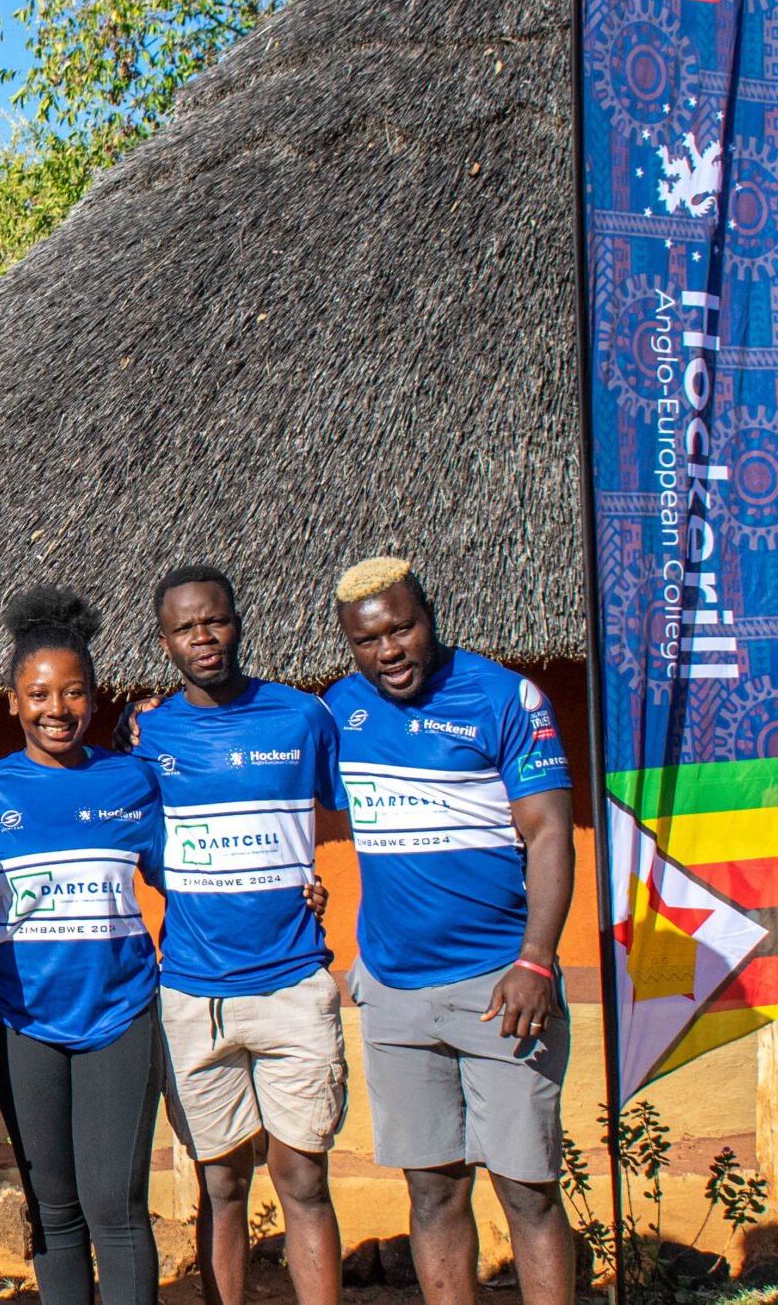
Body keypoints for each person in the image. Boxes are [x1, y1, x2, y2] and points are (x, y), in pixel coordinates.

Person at [325, 558, 575, 1305]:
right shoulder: (340, 710)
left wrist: (536, 960)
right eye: (370, 640)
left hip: (501, 986)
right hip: (395, 996)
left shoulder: (504, 697)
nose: (391, 650)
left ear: (429, 613)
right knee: (432, 1191)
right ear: (350, 645)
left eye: (403, 627)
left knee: (527, 1189)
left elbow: (552, 834)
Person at [0, 587, 165, 1305]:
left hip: (122, 1015)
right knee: (53, 1207)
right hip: (18, 1022)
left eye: (73, 693)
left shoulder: (132, 781)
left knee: (116, 1205)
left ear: (97, 699)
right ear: (12, 701)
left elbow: (188, 878)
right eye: (39, 694)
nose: (56, 708)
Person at [130, 565, 344, 1305]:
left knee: (304, 1175)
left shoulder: (303, 718)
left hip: (294, 981)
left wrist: (317, 885)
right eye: (186, 627)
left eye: (214, 620)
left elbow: (358, 814)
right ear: (164, 641)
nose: (203, 636)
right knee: (220, 1181)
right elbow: (146, 847)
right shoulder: (148, 734)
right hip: (193, 989)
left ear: (238, 621)